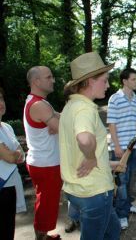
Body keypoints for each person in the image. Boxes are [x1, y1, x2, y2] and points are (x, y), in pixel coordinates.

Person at [59, 52, 122, 239]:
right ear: (89, 82)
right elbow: (85, 140)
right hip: (93, 192)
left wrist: (104, 162)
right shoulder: (85, 109)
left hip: (77, 189)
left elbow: (75, 150)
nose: (108, 85)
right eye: (104, 80)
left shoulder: (70, 107)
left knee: (113, 230)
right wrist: (91, 157)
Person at [23, 66, 62, 240]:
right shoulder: (39, 104)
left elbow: (59, 119)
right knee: (46, 204)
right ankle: (41, 238)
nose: (52, 80)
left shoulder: (39, 102)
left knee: (47, 202)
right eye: (49, 77)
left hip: (44, 161)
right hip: (45, 163)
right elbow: (62, 127)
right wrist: (56, 123)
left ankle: (44, 236)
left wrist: (56, 121)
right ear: (36, 81)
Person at [107, 68, 136, 230]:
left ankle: (127, 206)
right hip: (120, 147)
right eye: (134, 79)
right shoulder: (115, 99)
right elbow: (112, 124)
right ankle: (121, 215)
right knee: (121, 182)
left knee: (132, 179)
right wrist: (116, 145)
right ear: (125, 81)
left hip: (134, 146)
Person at [0, 87, 26, 240]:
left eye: (1, 98)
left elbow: (20, 155)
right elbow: (11, 157)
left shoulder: (7, 127)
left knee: (9, 231)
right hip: (2, 188)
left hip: (11, 187)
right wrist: (13, 152)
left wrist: (13, 153)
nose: (0, 103)